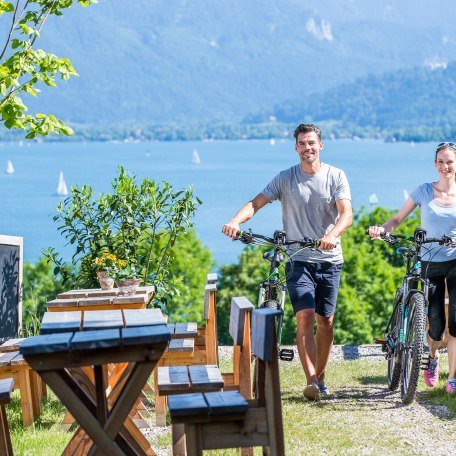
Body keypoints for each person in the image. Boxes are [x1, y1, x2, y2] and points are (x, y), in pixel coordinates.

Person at [222, 124, 352, 401]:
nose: (307, 148)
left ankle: (322, 374)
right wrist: (235, 221)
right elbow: (256, 203)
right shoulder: (285, 179)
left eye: (312, 143)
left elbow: (347, 214)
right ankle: (312, 381)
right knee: (304, 316)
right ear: (296, 148)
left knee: (325, 320)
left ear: (321, 145)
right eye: (302, 144)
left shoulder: (336, 176)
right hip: (298, 258)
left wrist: (331, 235)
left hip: (329, 258)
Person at [368, 142, 456, 395]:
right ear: (435, 164)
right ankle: (431, 356)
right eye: (440, 161)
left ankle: (452, 378)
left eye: (449, 161)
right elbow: (397, 219)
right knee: (436, 322)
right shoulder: (424, 191)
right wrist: (382, 230)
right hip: (430, 261)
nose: (445, 166)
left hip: (455, 261)